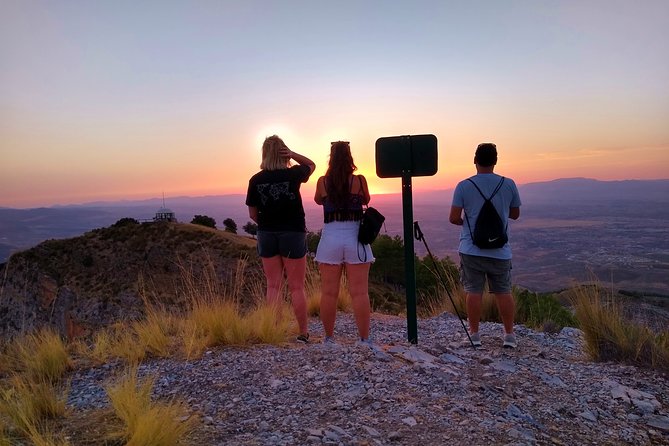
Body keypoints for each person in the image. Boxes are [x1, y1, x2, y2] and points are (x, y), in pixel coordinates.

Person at [449, 142, 521, 348]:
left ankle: (474, 335)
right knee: (503, 291)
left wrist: (469, 223)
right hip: (500, 250)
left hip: (471, 249)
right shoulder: (508, 184)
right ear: (495, 161)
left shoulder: (464, 185)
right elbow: (515, 214)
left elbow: (454, 217)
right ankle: (509, 336)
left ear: (475, 160)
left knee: (473, 291)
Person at [246, 135, 316, 343]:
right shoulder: (293, 174)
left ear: (264, 154)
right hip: (293, 232)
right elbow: (311, 164)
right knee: (297, 287)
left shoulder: (255, 180)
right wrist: (293, 154)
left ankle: (273, 332)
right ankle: (303, 333)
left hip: (267, 233)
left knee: (273, 285)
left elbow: (252, 214)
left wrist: (268, 224)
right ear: (282, 152)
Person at [314, 141, 375, 346]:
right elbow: (366, 198)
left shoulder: (322, 182)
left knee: (329, 292)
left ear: (330, 158)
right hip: (355, 237)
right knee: (360, 292)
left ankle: (329, 338)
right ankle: (364, 339)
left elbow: (318, 200)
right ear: (350, 157)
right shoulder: (359, 180)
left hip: (330, 237)